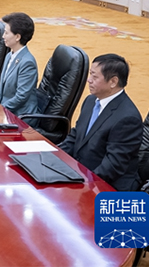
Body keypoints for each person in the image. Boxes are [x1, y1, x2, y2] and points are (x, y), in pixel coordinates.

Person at [59, 54, 143, 191]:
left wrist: (84, 184)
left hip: (106, 186)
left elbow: (113, 165)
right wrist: (53, 156)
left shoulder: (127, 118)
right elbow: (75, 137)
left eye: (94, 76)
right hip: (80, 173)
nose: (88, 80)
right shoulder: (90, 101)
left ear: (113, 82)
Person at [0, 12, 39, 124]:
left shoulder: (27, 62)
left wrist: (0, 109)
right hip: (5, 110)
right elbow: (1, 88)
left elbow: (21, 97)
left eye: (6, 33)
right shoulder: (9, 55)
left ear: (17, 37)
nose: (3, 36)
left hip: (20, 116)